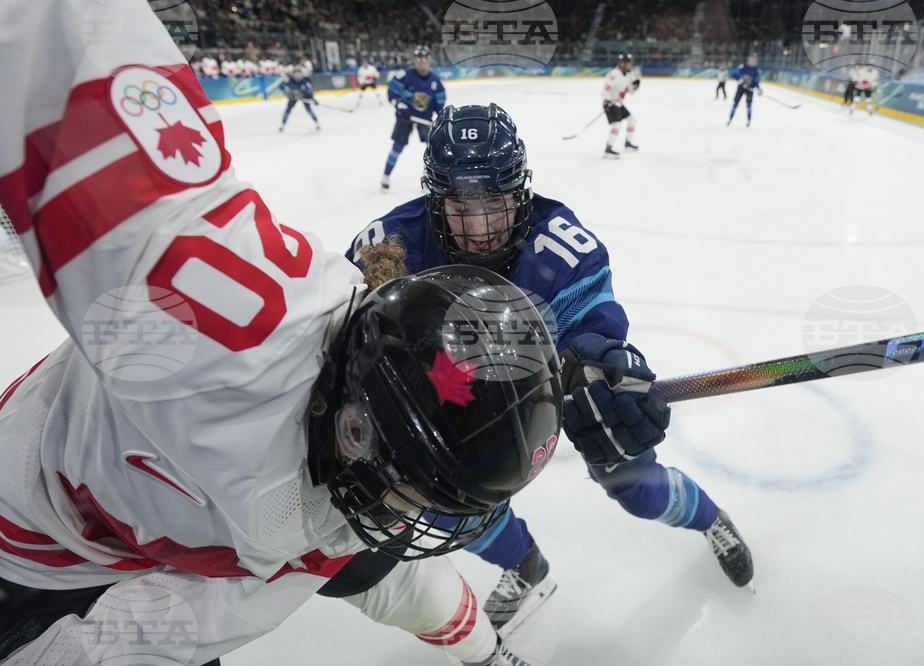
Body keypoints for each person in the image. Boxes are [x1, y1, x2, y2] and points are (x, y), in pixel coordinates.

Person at [0, 3, 563, 665]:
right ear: (357, 431)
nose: (401, 517)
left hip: (126, 528)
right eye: (412, 489)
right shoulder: (186, 321)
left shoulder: (327, 491)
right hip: (34, 549)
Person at [347, 103, 755, 638]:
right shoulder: (388, 247)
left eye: (495, 203)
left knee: (631, 481)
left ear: (520, 192)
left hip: (553, 387)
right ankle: (526, 566)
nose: (481, 228)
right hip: (456, 398)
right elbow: (351, 343)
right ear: (433, 199)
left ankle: (710, 519)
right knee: (448, 495)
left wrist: (603, 363)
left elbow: (595, 329)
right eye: (460, 207)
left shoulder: (561, 246)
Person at [381, 45, 446, 191]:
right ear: (415, 62)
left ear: (429, 62)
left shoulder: (435, 80)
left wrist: (440, 115)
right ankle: (386, 176)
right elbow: (392, 92)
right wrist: (397, 103)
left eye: (425, 60)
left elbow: (439, 102)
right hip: (405, 117)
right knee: (397, 147)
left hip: (424, 118)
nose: (422, 63)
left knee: (431, 149)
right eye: (419, 60)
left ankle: (430, 177)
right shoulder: (405, 75)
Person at [601, 53, 641, 158]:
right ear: (623, 64)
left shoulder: (628, 76)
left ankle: (628, 144)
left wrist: (636, 85)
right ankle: (608, 149)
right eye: (629, 64)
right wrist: (609, 100)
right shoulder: (614, 74)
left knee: (632, 120)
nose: (631, 66)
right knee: (617, 124)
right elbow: (604, 91)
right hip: (609, 104)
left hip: (618, 103)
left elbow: (630, 92)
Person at [279, 67, 320, 132]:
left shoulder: (304, 82)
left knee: (309, 109)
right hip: (293, 98)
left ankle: (317, 123)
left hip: (304, 97)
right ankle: (282, 125)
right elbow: (281, 86)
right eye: (296, 74)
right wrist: (288, 92)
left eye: (299, 73)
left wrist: (313, 99)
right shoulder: (289, 80)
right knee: (288, 109)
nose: (298, 75)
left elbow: (309, 91)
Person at [727, 53, 762, 127]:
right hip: (740, 88)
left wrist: (758, 88)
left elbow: (757, 80)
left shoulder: (757, 70)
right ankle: (730, 119)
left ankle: (749, 121)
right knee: (735, 104)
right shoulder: (742, 67)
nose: (752, 61)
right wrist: (740, 79)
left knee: (749, 105)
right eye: (750, 60)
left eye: (753, 60)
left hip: (750, 90)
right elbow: (734, 73)